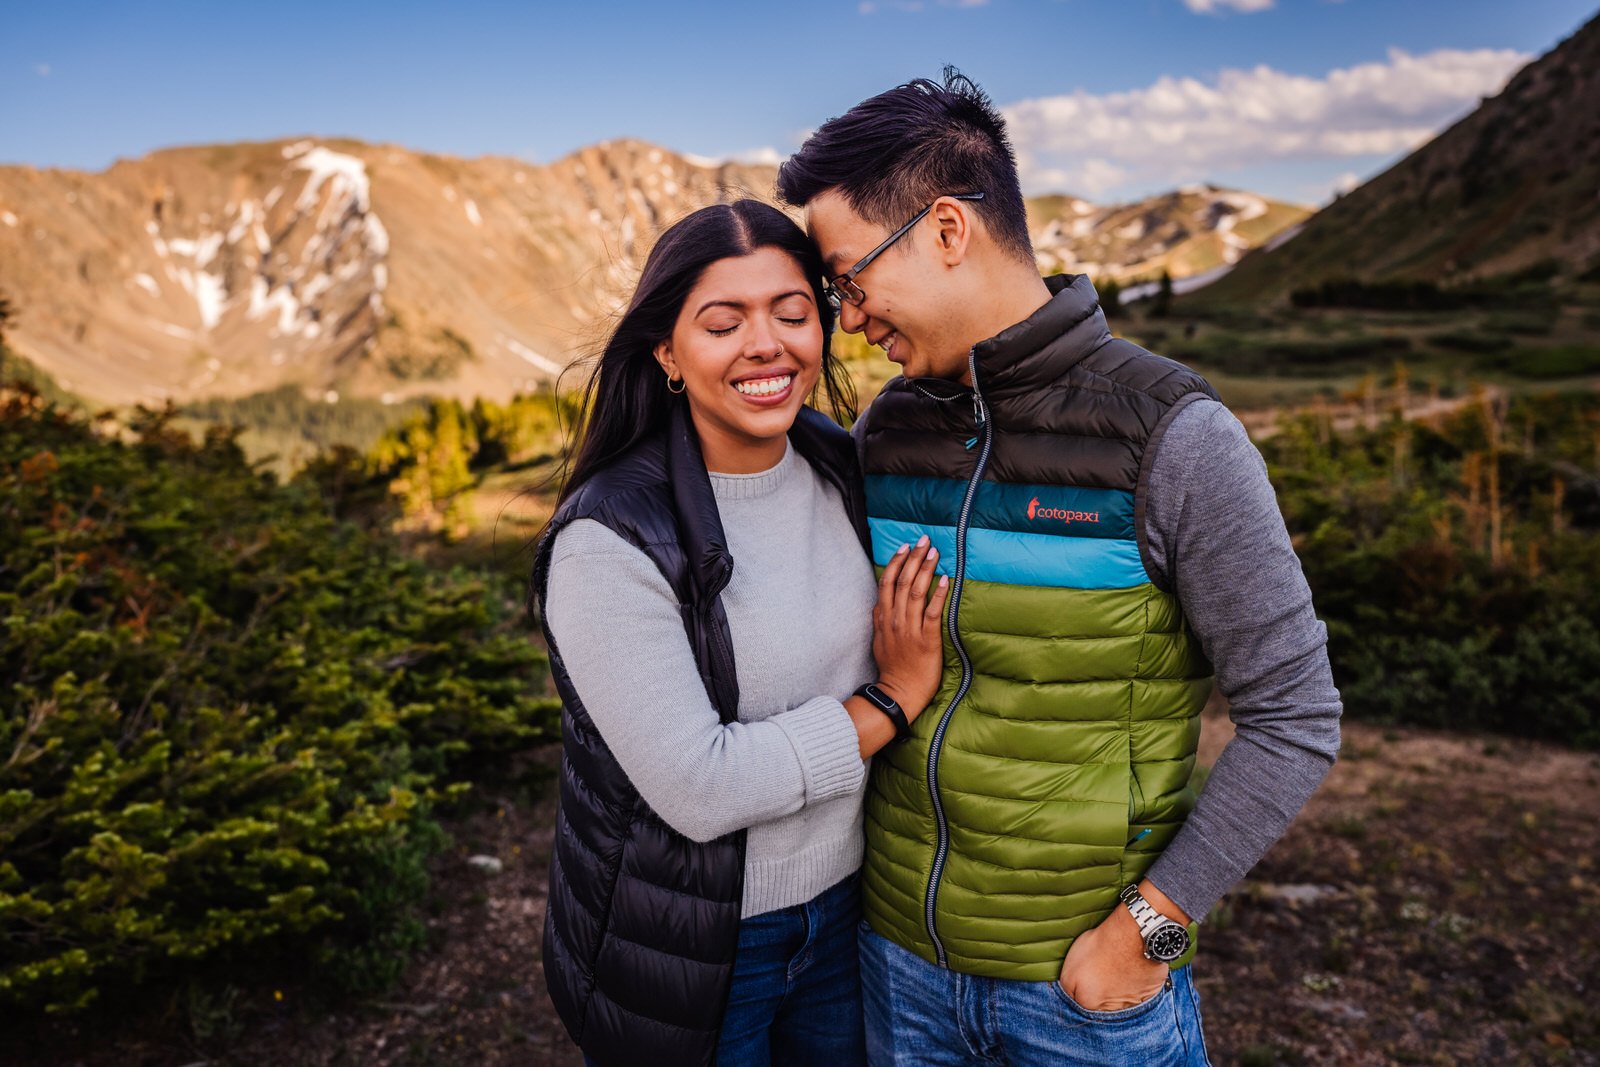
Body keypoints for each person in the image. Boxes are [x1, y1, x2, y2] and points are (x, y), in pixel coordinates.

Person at [776, 71, 1344, 1066]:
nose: (847, 318)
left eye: (850, 280)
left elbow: (1295, 716)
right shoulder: (888, 432)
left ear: (946, 229)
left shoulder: (1173, 436)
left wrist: (1149, 930)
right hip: (898, 976)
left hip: (1082, 1000)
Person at [530, 199, 948, 1066]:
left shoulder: (839, 465)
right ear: (667, 351)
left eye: (792, 314)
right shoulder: (610, 537)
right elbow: (702, 787)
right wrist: (893, 699)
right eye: (723, 325)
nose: (767, 345)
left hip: (852, 912)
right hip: (693, 947)